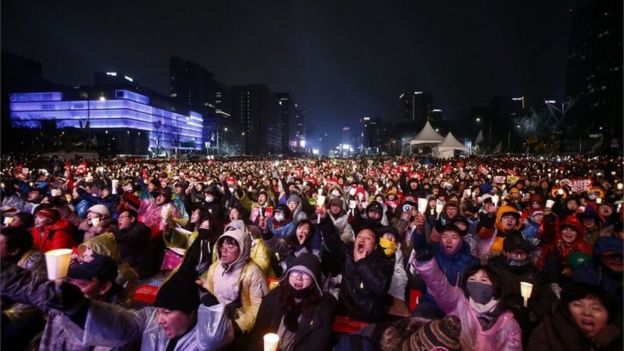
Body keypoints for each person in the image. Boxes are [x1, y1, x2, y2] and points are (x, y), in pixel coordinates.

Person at [0, 255, 135, 351]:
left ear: (104, 287)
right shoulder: (65, 303)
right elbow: (30, 287)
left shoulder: (114, 327)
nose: (71, 288)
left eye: (81, 285)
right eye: (70, 282)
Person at [411, 249, 522, 350]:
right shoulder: (458, 303)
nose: (477, 283)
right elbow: (440, 287)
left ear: (495, 286)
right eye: (472, 279)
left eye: (483, 280)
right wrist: (427, 265)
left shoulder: (509, 325)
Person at [249, 253, 336, 351]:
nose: (299, 277)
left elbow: (316, 346)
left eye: (306, 274)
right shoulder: (274, 297)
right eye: (295, 272)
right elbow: (258, 334)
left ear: (314, 280)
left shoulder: (321, 310)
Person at [200, 226, 268, 338]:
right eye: (222, 246)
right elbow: (210, 292)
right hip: (218, 317)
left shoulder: (253, 272)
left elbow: (259, 307)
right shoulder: (215, 267)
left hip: (239, 324)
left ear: (242, 249)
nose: (224, 250)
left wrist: (236, 326)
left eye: (230, 246)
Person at [322, 216, 393, 322]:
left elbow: (380, 287)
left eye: (368, 238)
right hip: (344, 313)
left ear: (375, 246)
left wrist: (361, 263)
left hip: (367, 317)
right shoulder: (348, 253)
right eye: (359, 236)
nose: (362, 239)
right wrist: (325, 220)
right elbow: (333, 242)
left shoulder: (384, 262)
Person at [411, 221, 479, 319]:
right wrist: (420, 230)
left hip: (458, 307)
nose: (449, 240)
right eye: (444, 236)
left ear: (461, 241)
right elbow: (420, 247)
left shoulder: (472, 262)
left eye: (454, 237)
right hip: (432, 304)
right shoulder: (433, 254)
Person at [528, 283, 622, 350]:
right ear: (565, 309)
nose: (587, 312)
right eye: (578, 305)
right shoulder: (547, 333)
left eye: (596, 308)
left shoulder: (617, 340)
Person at [573, 236, 623, 301]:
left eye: (621, 256)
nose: (617, 260)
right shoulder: (587, 273)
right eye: (611, 256)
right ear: (599, 257)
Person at [113, 209, 151, 278]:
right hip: (126, 265)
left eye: (122, 217)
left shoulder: (141, 229)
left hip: (138, 269)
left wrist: (112, 233)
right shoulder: (122, 232)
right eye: (118, 218)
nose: (119, 220)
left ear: (132, 219)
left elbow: (131, 238)